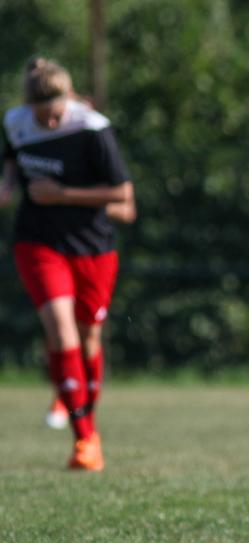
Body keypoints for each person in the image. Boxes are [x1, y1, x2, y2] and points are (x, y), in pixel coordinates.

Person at [1, 57, 135, 470]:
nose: (52, 121)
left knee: (89, 336)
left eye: (57, 112)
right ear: (29, 107)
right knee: (61, 330)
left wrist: (62, 195)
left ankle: (83, 418)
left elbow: (122, 194)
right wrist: (6, 187)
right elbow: (12, 164)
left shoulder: (92, 128)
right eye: (43, 115)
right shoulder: (15, 123)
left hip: (93, 246)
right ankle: (84, 439)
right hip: (38, 243)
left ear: (70, 100)